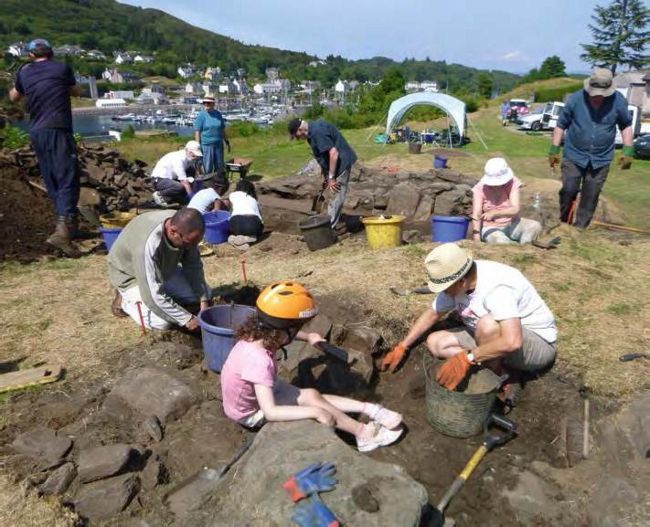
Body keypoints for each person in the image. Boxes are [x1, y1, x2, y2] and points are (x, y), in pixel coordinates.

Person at [221, 281, 404, 452]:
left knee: (312, 395)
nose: (297, 331)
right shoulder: (259, 361)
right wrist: (315, 412)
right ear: (283, 330)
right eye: (296, 328)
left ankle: (370, 409)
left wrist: (308, 336)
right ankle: (364, 435)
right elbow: (270, 412)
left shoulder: (257, 335)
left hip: (257, 394)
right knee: (316, 405)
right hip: (251, 412)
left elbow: (284, 331)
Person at [381, 243, 557, 401]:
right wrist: (403, 345)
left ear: (462, 282)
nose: (444, 293)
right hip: (490, 336)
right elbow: (433, 314)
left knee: (487, 325)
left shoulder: (497, 288)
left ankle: (496, 380)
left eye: (445, 289)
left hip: (535, 346)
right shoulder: (458, 277)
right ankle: (499, 370)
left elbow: (513, 342)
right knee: (435, 343)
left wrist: (468, 358)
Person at [9, 39, 81, 256]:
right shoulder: (61, 68)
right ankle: (63, 233)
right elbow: (76, 91)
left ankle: (66, 228)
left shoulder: (24, 72)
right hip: (58, 129)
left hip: (37, 132)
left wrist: (20, 79)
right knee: (67, 177)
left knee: (52, 179)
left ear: (31, 55)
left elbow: (13, 97)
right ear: (51, 53)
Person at [549, 67, 634, 229]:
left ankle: (580, 228)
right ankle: (564, 224)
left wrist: (628, 150)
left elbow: (626, 125)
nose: (598, 96)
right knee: (569, 189)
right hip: (574, 154)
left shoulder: (618, 101)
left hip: (601, 157)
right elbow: (561, 125)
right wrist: (554, 149)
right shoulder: (575, 99)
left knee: (591, 194)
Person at [107, 208, 211, 332]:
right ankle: (125, 302)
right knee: (162, 323)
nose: (192, 247)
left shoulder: (183, 227)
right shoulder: (147, 245)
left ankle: (165, 297)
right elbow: (152, 296)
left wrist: (204, 302)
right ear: (173, 231)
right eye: (189, 243)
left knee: (206, 293)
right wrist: (187, 319)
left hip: (162, 269)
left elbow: (193, 266)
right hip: (132, 276)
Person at [288, 118, 357, 228]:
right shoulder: (312, 132)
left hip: (341, 163)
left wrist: (331, 178)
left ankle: (329, 227)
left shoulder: (317, 132)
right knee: (330, 193)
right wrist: (325, 173)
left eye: (297, 136)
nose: (298, 139)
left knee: (335, 194)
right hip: (335, 165)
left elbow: (334, 154)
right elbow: (323, 154)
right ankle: (330, 220)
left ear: (300, 130)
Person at [471, 157, 542, 244]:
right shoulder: (479, 188)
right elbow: (477, 214)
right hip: (490, 227)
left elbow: (515, 209)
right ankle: (511, 246)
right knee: (500, 241)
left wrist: (494, 213)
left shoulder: (513, 183)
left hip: (512, 223)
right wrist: (476, 236)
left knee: (535, 226)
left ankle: (525, 246)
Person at [151, 140, 203, 206]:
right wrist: (192, 197)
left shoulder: (189, 158)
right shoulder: (178, 159)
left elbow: (195, 174)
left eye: (196, 155)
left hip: (170, 179)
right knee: (179, 187)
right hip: (158, 180)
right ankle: (159, 194)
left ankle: (182, 196)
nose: (195, 156)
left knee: (191, 170)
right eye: (193, 154)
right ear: (186, 150)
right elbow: (184, 181)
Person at [193, 95, 230, 180]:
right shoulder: (201, 115)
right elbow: (197, 131)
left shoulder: (218, 114)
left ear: (213, 104)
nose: (206, 104)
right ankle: (208, 183)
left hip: (218, 144)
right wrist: (197, 145)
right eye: (205, 103)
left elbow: (222, 129)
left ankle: (219, 182)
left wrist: (226, 140)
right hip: (206, 145)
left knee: (219, 166)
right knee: (207, 167)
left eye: (208, 103)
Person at [227, 179, 264, 248]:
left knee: (234, 230)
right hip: (252, 224)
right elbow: (261, 217)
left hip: (236, 223)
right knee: (256, 230)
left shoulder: (232, 195)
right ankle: (250, 237)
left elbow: (231, 212)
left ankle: (235, 238)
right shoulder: (254, 200)